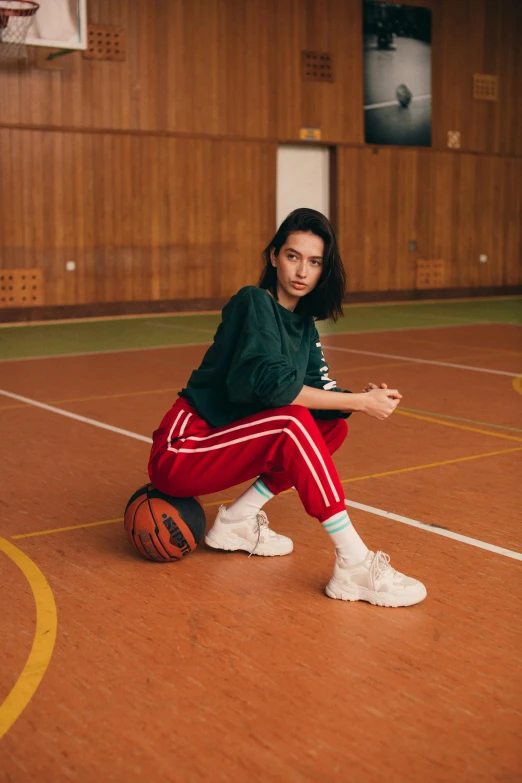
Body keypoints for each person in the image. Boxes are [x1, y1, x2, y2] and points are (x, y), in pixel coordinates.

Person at [148, 208, 426, 608]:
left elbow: (318, 386)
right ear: (274, 256)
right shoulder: (253, 302)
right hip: (183, 448)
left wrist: (362, 397)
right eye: (293, 256)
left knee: (331, 428)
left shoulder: (305, 326)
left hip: (224, 443)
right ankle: (354, 563)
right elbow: (278, 389)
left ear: (323, 271)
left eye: (314, 262)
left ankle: (236, 521)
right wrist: (361, 403)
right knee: (293, 422)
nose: (302, 271)